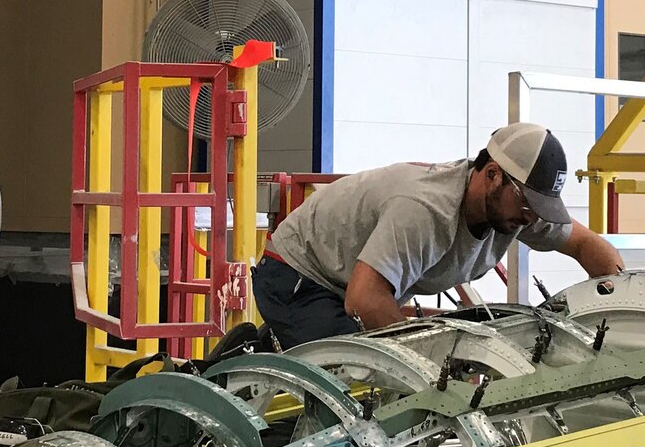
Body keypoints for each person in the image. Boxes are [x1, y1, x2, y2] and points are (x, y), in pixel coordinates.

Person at [254, 122, 624, 350]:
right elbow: (365, 300)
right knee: (355, 383)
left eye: (540, 210)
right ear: (492, 174)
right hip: (298, 275)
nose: (531, 218)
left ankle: (263, 345)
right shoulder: (427, 210)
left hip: (352, 283)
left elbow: (587, 245)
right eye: (527, 204)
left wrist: (617, 315)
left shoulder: (519, 211)